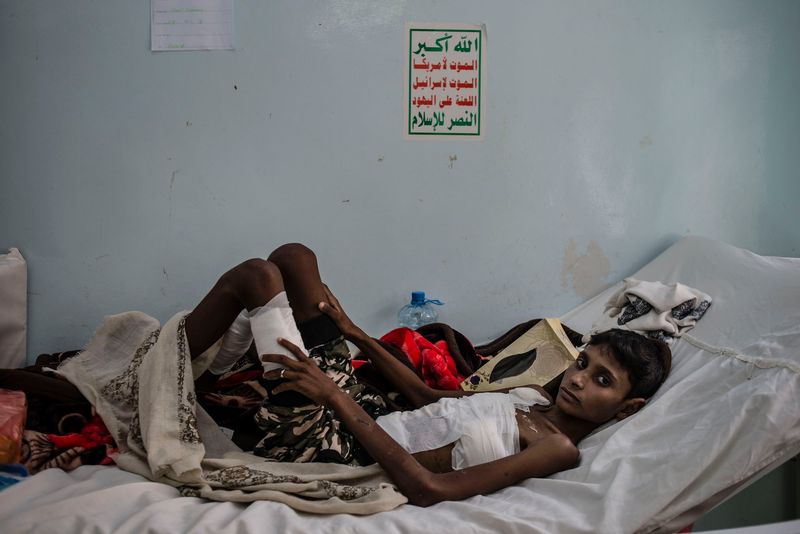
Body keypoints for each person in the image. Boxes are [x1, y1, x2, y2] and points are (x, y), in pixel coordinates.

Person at [185, 243, 672, 506]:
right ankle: (206, 371)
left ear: (627, 408)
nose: (580, 379)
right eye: (584, 363)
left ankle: (174, 372)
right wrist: (352, 330)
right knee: (296, 259)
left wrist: (333, 396)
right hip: (358, 407)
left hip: (333, 445)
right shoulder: (530, 397)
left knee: (259, 277)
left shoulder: (557, 450)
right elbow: (422, 395)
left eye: (603, 381)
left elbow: (428, 489)